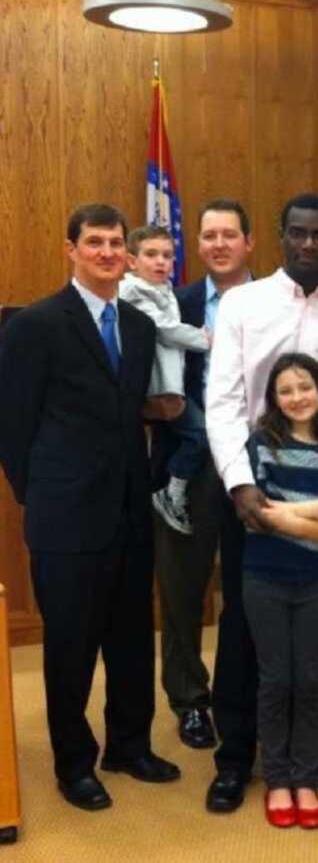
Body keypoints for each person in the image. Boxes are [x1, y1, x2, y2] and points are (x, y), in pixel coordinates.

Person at [0, 204, 180, 811]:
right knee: (71, 646)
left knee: (132, 638)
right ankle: (74, 764)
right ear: (70, 249)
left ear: (128, 255)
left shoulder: (139, 324)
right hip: (64, 515)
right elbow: (13, 424)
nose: (107, 252)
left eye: (115, 243)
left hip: (131, 509)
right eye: (94, 242)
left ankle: (129, 746)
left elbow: (132, 415)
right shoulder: (35, 325)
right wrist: (39, 494)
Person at [205, 192, 318, 810]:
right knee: (242, 633)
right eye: (298, 233)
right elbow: (223, 400)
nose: (309, 244)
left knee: (311, 638)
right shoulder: (242, 305)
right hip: (249, 487)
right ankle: (235, 759)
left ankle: (308, 748)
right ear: (281, 237)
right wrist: (240, 484)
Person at [152, 199, 254, 764]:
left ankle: (247, 693)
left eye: (229, 235)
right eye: (208, 235)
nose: (218, 244)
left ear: (249, 243)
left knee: (250, 588)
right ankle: (190, 698)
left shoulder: (275, 301)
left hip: (257, 463)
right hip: (186, 464)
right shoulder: (175, 302)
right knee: (184, 589)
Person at [243, 353, 318, 829]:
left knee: (309, 680)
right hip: (264, 578)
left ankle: (305, 779)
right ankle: (277, 779)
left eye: (305, 387)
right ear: (273, 399)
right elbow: (256, 516)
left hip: (317, 582)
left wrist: (281, 514)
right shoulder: (260, 444)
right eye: (285, 390)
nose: (296, 398)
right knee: (276, 681)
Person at [119, 225, 211, 535]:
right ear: (132, 261)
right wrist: (208, 338)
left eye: (168, 256)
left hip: (172, 386)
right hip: (157, 390)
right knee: (201, 434)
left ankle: (171, 491)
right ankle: (172, 493)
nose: (161, 262)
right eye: (151, 255)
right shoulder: (133, 293)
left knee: (198, 435)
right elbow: (166, 329)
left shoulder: (164, 290)